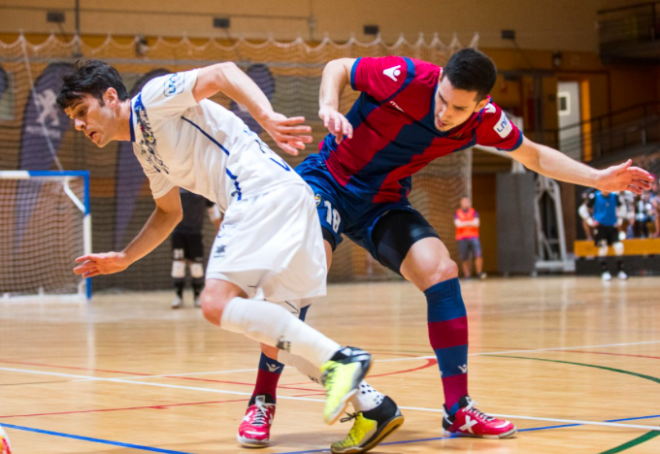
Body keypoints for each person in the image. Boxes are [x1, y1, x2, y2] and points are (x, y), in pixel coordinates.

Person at [240, 48, 654, 450]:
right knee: (298, 282)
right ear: (438, 80)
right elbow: (339, 67)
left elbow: (534, 155)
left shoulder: (487, 121)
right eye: (442, 100)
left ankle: (458, 409)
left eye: (457, 109)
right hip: (327, 181)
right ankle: (262, 400)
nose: (444, 113)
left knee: (441, 270)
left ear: (479, 105)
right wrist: (329, 105)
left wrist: (597, 178)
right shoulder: (403, 76)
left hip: (382, 201)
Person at [57, 60, 375, 428]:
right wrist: (126, 257)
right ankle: (375, 407)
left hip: (258, 192)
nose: (79, 125)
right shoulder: (143, 148)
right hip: (287, 199)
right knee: (278, 338)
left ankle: (341, 360)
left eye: (83, 112)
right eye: (73, 119)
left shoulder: (151, 100)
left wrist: (266, 116)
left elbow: (223, 73)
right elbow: (167, 212)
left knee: (215, 303)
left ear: (111, 98)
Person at [171, 188, 221, 309]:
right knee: (178, 266)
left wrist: (218, 229)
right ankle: (178, 297)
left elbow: (213, 211)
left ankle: (197, 297)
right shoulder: (177, 189)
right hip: (178, 233)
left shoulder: (202, 189)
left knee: (196, 267)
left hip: (195, 234)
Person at [587, 190, 628, 280]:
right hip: (600, 227)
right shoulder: (595, 196)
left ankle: (621, 270)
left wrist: (619, 220)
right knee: (603, 248)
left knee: (619, 247)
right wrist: (590, 221)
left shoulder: (615, 196)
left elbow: (622, 208)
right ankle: (604, 271)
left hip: (612, 227)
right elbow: (584, 209)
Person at [454, 197, 486, 279]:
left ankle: (479, 273)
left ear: (469, 202)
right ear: (461, 203)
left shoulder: (474, 212)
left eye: (466, 201)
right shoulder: (458, 213)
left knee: (478, 255)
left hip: (474, 237)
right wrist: (470, 222)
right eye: (463, 201)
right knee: (464, 257)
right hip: (462, 238)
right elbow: (458, 224)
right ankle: (467, 275)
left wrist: (464, 223)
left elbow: (476, 223)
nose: (465, 203)